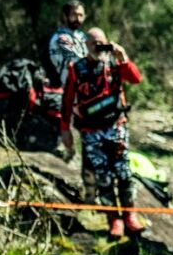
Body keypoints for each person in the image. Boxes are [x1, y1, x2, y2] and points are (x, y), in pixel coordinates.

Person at [60, 29, 143, 238]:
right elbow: (67, 100)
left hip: (116, 126)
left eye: (101, 43)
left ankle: (130, 215)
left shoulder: (115, 64)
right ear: (86, 45)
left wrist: (123, 58)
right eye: (93, 43)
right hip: (90, 130)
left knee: (124, 172)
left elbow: (135, 79)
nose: (97, 47)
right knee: (103, 177)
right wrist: (65, 129)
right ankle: (113, 220)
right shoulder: (76, 69)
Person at [47, 0, 88, 87]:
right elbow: (76, 59)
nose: (78, 19)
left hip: (84, 85)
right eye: (74, 15)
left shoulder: (81, 36)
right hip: (69, 86)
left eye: (81, 15)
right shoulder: (60, 37)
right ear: (65, 16)